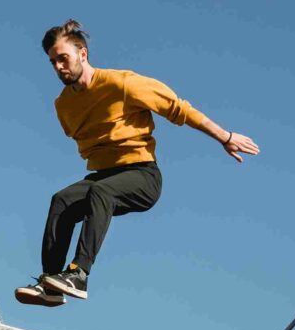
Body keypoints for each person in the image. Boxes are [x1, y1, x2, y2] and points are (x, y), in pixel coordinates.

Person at [15, 20, 260, 306]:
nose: (58, 67)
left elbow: (178, 108)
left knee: (100, 192)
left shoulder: (123, 83)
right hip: (104, 175)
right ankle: (52, 285)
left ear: (82, 53)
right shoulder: (63, 105)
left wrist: (225, 136)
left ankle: (79, 274)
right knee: (62, 200)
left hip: (142, 176)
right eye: (52, 62)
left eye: (63, 58)